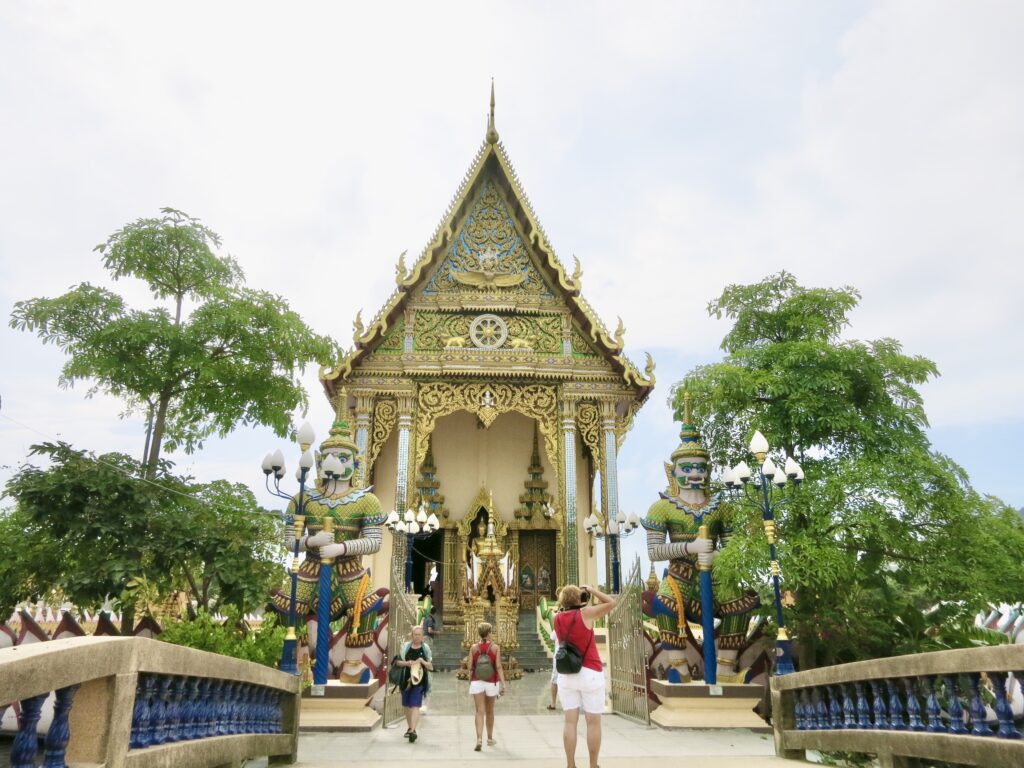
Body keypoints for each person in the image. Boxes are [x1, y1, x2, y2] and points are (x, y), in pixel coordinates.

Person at [554, 584, 615, 768]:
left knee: (570, 722)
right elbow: (611, 603)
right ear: (579, 598)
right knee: (593, 722)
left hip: (567, 674)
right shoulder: (585, 614)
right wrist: (592, 590)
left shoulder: (557, 618)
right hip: (590, 672)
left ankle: (570, 765)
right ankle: (593, 764)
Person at [469, 621, 506, 751]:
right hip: (491, 682)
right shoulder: (495, 648)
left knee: (479, 711)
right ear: (489, 633)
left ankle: (479, 739)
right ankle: (489, 739)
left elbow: (469, 667)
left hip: (476, 681)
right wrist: (504, 683)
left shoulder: (473, 648)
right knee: (490, 711)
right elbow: (498, 667)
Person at [396, 625, 433, 742]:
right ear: (411, 636)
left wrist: (422, 661)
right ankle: (410, 727)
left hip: (419, 680)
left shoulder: (425, 648)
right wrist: (407, 663)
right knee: (407, 705)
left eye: (419, 635)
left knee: (415, 704)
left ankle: (413, 730)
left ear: (422, 637)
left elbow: (431, 666)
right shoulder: (406, 647)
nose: (417, 637)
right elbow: (397, 662)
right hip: (406, 679)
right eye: (415, 634)